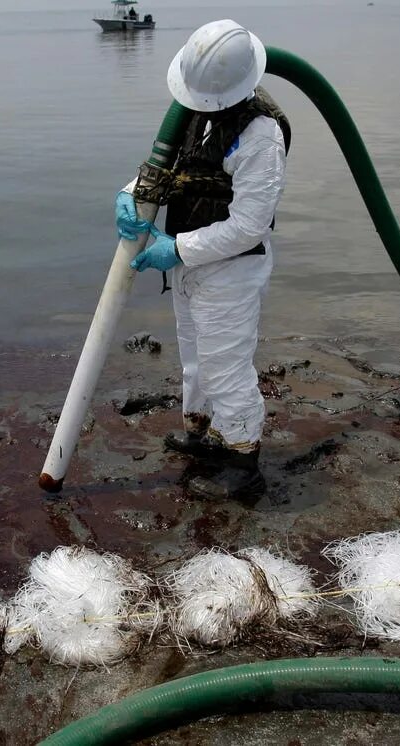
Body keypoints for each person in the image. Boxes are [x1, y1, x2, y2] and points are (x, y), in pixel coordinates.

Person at [116, 19, 291, 500]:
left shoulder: (261, 135)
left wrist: (175, 248)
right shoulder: (197, 110)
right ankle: (204, 433)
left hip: (231, 269)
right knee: (195, 359)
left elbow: (249, 226)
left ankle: (244, 462)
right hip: (189, 264)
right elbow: (168, 166)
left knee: (227, 366)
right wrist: (130, 195)